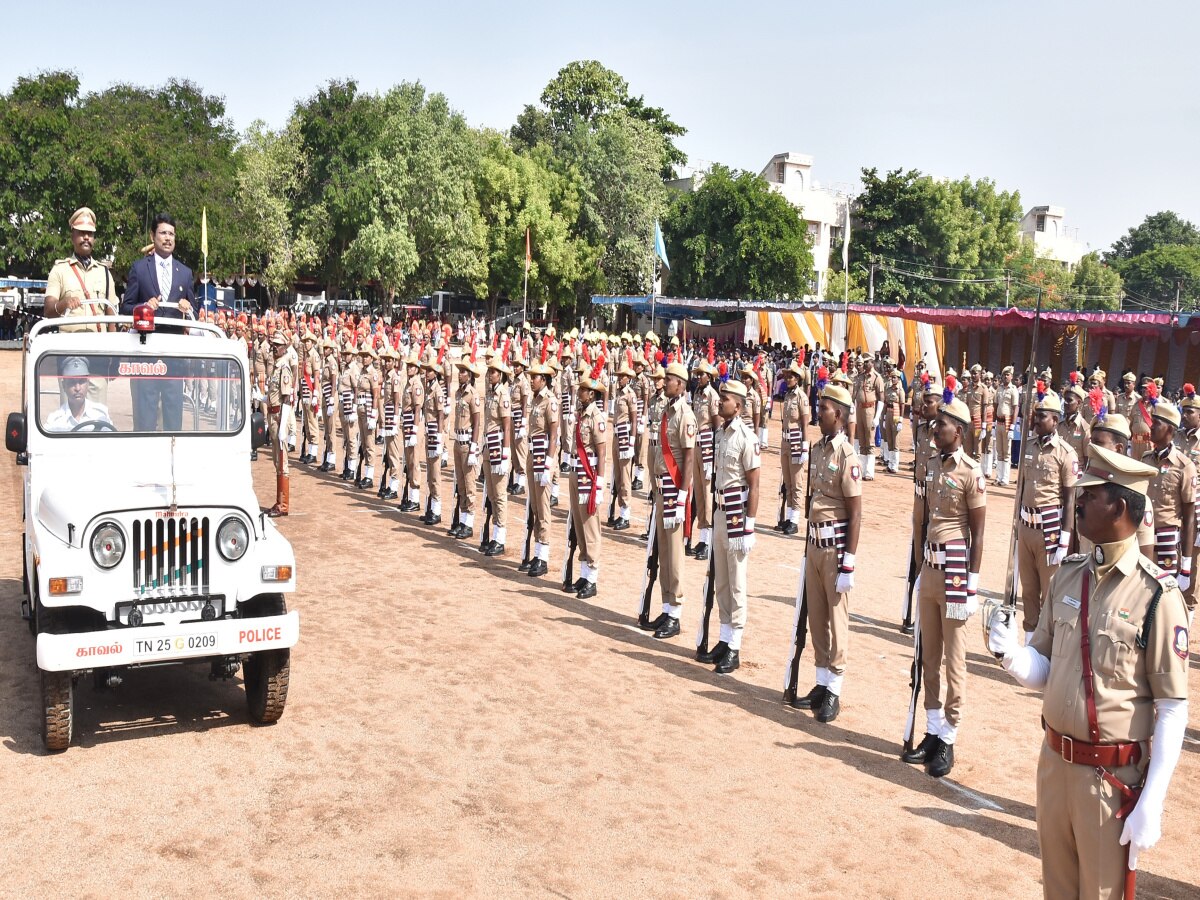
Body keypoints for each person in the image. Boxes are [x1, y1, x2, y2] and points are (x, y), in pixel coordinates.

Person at [987, 442, 1189, 899]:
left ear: (1118, 505)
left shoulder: (1157, 597)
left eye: (1090, 495)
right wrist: (1010, 652)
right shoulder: (1068, 575)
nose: (1078, 502)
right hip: (1054, 765)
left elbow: (1173, 709)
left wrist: (1151, 803)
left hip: (1110, 784)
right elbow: (1043, 668)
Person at [900, 389, 986, 778]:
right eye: (936, 423)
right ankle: (932, 730)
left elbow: (978, 534)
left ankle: (949, 735)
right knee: (928, 655)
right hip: (931, 570)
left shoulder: (972, 472)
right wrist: (918, 570)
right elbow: (921, 520)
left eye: (943, 424)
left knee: (954, 658)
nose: (935, 428)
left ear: (960, 431)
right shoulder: (930, 465)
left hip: (953, 570)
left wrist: (971, 584)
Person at [790, 381, 861, 722]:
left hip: (835, 548)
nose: (820, 413)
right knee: (816, 618)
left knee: (836, 619)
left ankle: (834, 688)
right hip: (815, 544)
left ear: (841, 414)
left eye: (825, 409)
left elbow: (855, 510)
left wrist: (849, 561)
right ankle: (820, 682)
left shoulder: (846, 455)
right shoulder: (818, 449)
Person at [695, 378, 760, 675]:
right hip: (720, 510)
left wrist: (750, 526)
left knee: (736, 582)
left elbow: (755, 484)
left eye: (725, 398)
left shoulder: (746, 437)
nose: (720, 401)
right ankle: (723, 638)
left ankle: (735, 643)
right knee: (720, 578)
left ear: (739, 403)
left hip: (736, 513)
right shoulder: (720, 434)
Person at [1015, 384, 1079, 644]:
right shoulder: (1028, 446)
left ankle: (1047, 646)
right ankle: (1030, 642)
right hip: (1026, 527)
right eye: (1035, 415)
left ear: (1055, 419)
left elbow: (1070, 498)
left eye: (1042, 416)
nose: (1036, 420)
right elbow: (1020, 488)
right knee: (1028, 590)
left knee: (1048, 590)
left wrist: (1065, 539)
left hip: (1049, 530)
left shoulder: (1066, 453)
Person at [121, 214, 196, 431]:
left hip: (174, 357)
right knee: (145, 419)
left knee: (173, 420)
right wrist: (144, 306)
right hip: (146, 355)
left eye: (171, 234)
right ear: (153, 236)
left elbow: (195, 313)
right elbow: (126, 308)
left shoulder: (185, 273)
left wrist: (187, 307)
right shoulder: (139, 268)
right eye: (163, 233)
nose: (167, 238)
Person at [643, 357, 697, 640]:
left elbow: (688, 458)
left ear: (681, 384)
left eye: (670, 380)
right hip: (662, 489)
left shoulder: (685, 415)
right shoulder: (667, 411)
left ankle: (675, 612)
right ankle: (666, 607)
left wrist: (682, 497)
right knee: (663, 551)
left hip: (675, 490)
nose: (665, 384)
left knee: (675, 555)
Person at [1141, 395, 1196, 589]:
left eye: (1156, 423)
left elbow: (1189, 518)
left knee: (1163, 598)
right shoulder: (1145, 460)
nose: (1151, 427)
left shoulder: (1184, 466)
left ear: (1170, 430)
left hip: (1167, 543)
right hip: (1143, 538)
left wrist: (1187, 566)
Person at [45, 207, 117, 339]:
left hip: (99, 346)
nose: (86, 237)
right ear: (72, 236)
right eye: (81, 233)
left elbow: (111, 316)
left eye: (90, 234)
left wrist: (113, 353)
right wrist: (64, 303)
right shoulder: (59, 270)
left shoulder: (105, 272)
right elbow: (49, 310)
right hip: (71, 347)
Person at [569, 357, 608, 599]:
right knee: (579, 525)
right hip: (576, 472)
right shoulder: (581, 413)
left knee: (590, 526)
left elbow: (602, 452)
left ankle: (592, 577)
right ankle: (583, 574)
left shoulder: (596, 417)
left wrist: (600, 483)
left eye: (583, 389)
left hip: (589, 474)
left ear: (592, 394)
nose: (579, 392)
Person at [522, 353, 559, 577]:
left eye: (534, 377)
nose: (531, 380)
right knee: (534, 507)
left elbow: (553, 435)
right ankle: (536, 553)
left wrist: (549, 463)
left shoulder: (550, 401)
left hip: (543, 455)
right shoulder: (535, 399)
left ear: (544, 379)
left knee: (543, 509)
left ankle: (543, 557)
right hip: (532, 453)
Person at [449, 349, 485, 540]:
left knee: (470, 485)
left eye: (463, 371)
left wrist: (474, 447)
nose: (460, 373)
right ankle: (462, 521)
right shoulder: (458, 393)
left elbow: (477, 422)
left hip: (467, 443)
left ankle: (469, 523)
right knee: (461, 485)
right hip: (457, 441)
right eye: (460, 370)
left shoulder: (473, 394)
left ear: (470, 375)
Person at [690, 349, 721, 559]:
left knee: (708, 493)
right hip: (696, 445)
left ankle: (708, 540)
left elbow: (717, 426)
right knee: (699, 493)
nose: (698, 377)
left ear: (709, 377)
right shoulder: (696, 394)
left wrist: (713, 456)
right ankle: (701, 537)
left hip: (708, 446)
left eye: (701, 374)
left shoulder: (713, 396)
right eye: (697, 374)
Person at [482, 354, 513, 556]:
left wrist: (506, 452)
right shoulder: (491, 393)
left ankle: (500, 538)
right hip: (488, 446)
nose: (489, 375)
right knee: (491, 494)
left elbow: (507, 425)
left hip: (499, 447)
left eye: (493, 372)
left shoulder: (503, 394)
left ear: (500, 375)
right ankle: (493, 535)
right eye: (489, 371)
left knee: (500, 495)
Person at [776, 357, 811, 535]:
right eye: (787, 376)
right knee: (788, 481)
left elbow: (804, 423)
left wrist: (805, 446)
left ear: (797, 378)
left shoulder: (801, 397)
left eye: (791, 376)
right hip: (785, 441)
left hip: (797, 440)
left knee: (796, 482)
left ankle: (795, 520)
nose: (788, 378)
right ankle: (789, 517)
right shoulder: (788, 395)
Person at [266, 332, 295, 517]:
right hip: (273, 414)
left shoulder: (284, 367)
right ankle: (279, 501)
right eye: (273, 344)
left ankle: (283, 504)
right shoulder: (276, 367)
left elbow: (286, 397)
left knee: (282, 461)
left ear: (285, 347)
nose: (274, 347)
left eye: (277, 344)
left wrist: (284, 423)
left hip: (280, 416)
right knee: (277, 460)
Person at [1177, 385, 1200, 614]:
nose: (1184, 416)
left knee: (1190, 565)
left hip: (1196, 512)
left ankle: (1188, 613)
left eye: (1189, 412)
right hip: (1174, 510)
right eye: (1183, 411)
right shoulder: (1176, 436)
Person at [45, 356, 112, 431]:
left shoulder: (100, 415)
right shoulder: (55, 421)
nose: (77, 388)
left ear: (88, 383)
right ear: (64, 385)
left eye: (81, 381)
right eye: (72, 382)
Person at [610, 353, 638, 530]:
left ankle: (625, 514)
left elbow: (634, 419)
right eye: (619, 376)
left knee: (625, 476)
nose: (620, 378)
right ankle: (620, 511)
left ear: (628, 378)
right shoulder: (619, 392)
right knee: (618, 475)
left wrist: (631, 442)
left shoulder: (630, 394)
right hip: (616, 435)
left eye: (623, 376)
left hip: (625, 435)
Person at [421, 350, 447, 525]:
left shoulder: (437, 390)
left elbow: (440, 415)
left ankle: (436, 511)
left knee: (436, 474)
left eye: (430, 370)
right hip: (428, 431)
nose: (427, 372)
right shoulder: (428, 387)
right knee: (430, 473)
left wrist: (438, 437)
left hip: (435, 432)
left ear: (436, 373)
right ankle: (430, 507)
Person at [398, 348, 425, 509]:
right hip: (407, 422)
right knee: (408, 460)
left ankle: (415, 499)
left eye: (412, 366)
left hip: (414, 424)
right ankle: (409, 495)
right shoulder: (408, 383)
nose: (409, 368)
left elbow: (417, 408)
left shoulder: (416, 385)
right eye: (408, 366)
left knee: (414, 461)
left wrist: (414, 430)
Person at [852, 355, 884, 479]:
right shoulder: (860, 377)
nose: (864, 365)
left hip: (870, 409)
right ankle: (862, 469)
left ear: (872, 363)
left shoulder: (877, 378)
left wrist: (877, 416)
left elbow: (881, 398)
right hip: (859, 409)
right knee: (861, 441)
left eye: (867, 362)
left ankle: (869, 471)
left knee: (869, 441)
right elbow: (855, 395)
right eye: (863, 363)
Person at [993, 366, 1021, 484]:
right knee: (999, 450)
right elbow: (995, 405)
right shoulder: (999, 389)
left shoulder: (1013, 389)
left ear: (1011, 376)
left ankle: (1005, 478)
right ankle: (998, 476)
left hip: (1007, 421)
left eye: (1008, 374)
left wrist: (1012, 427)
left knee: (1007, 451)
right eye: (1004, 375)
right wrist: (994, 422)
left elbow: (1015, 408)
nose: (1005, 376)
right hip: (998, 421)